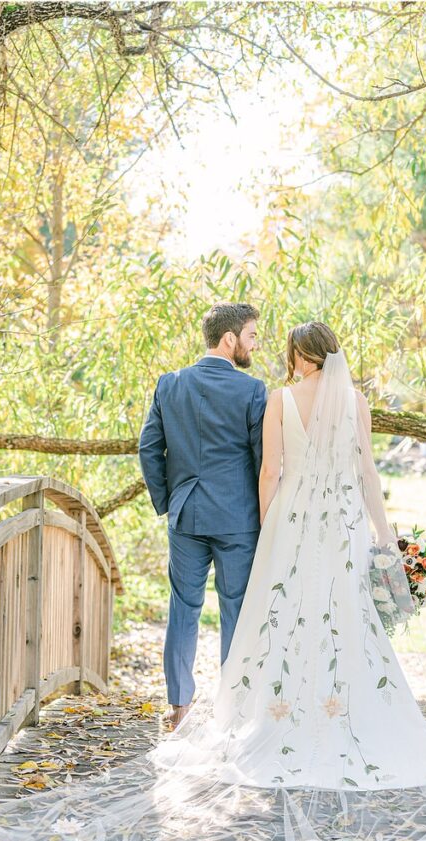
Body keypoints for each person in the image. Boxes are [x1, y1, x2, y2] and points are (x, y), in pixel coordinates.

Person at [0, 321, 426, 841]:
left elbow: (269, 472)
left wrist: (267, 527)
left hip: (283, 520)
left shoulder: (274, 398)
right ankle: (340, 711)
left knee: (268, 618)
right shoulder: (352, 401)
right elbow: (368, 473)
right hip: (341, 524)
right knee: (343, 620)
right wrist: (384, 539)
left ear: (300, 356)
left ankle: (229, 709)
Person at [138, 302, 268, 730]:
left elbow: (148, 449)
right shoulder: (253, 392)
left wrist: (169, 500)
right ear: (229, 339)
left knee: (184, 607)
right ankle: (232, 710)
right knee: (235, 610)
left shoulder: (170, 384)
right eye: (250, 335)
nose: (254, 344)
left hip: (186, 513)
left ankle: (179, 707)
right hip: (238, 517)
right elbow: (261, 459)